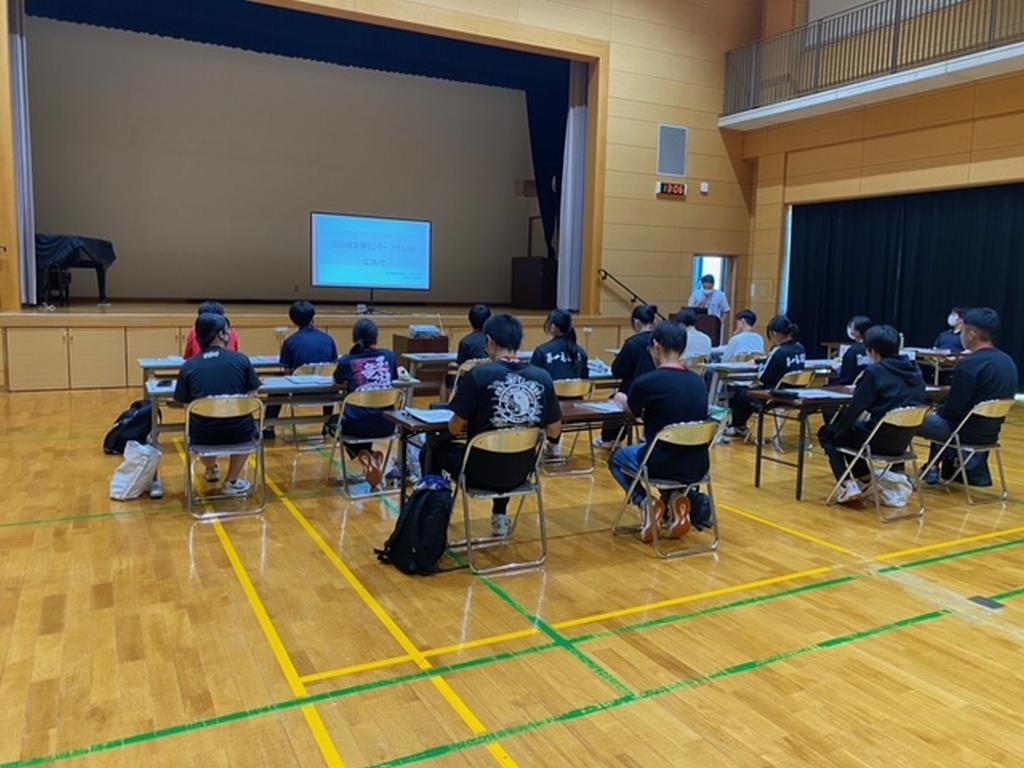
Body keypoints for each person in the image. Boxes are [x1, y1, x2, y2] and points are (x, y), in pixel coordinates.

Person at [423, 314, 562, 538]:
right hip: (521, 472)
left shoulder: (478, 376)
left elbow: (455, 428)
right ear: (520, 342)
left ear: (489, 342)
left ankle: (433, 519)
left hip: (478, 472)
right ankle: (499, 517)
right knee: (507, 445)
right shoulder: (543, 378)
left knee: (432, 448)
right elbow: (554, 431)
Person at [609, 321, 712, 541]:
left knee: (617, 459)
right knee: (668, 452)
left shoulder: (646, 382)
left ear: (656, 345)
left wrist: (621, 398)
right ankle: (676, 499)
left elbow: (632, 411)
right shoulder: (698, 382)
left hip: (660, 464)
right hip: (698, 465)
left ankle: (646, 503)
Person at [818, 325, 926, 503]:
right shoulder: (915, 369)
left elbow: (856, 408)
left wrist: (839, 431)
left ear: (873, 351)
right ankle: (867, 481)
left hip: (878, 440)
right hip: (903, 440)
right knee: (851, 433)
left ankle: (847, 486)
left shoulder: (875, 372)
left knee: (830, 434)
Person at [918, 308, 1018, 487]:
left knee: (908, 420)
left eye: (963, 331)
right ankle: (931, 467)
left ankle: (895, 471)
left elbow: (951, 412)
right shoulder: (1007, 361)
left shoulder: (970, 365)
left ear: (971, 335)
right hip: (989, 433)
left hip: (963, 432)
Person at [174, 313, 261, 496]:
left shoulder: (188, 366)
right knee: (247, 423)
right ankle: (232, 481)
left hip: (202, 437)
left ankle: (211, 467)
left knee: (197, 421)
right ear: (221, 334)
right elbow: (253, 396)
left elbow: (186, 406)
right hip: (240, 434)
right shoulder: (241, 359)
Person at [332, 319, 399, 489]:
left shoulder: (347, 361)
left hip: (357, 426)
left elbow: (337, 381)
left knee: (333, 424)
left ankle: (366, 455)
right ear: (376, 337)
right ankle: (371, 456)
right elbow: (394, 379)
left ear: (354, 338)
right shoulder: (389, 356)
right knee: (366, 419)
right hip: (388, 424)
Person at [264, 301, 339, 439]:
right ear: (313, 318)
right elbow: (333, 365)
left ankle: (269, 428)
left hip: (299, 393)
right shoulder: (329, 339)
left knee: (276, 390)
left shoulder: (290, 342)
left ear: (293, 321)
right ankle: (327, 425)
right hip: (327, 393)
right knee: (329, 381)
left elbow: (287, 372)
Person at [725, 315, 806, 438]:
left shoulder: (778, 351)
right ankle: (739, 427)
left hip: (775, 396)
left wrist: (760, 366)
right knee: (746, 393)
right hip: (795, 393)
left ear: (775, 333)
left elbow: (763, 377)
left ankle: (738, 426)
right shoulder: (800, 348)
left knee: (740, 393)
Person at [594, 304, 659, 448]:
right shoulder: (660, 342)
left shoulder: (632, 343)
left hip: (634, 396)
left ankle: (610, 439)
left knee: (615, 400)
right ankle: (647, 437)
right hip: (656, 395)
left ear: (636, 322)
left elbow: (617, 370)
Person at [531, 309, 589, 381]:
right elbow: (585, 381)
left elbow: (533, 380)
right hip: (576, 388)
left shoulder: (541, 352)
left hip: (551, 388)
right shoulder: (581, 352)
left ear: (552, 327)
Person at [837, 315, 873, 385]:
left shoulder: (852, 351)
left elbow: (846, 378)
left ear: (857, 332)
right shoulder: (877, 347)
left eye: (852, 328)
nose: (850, 331)